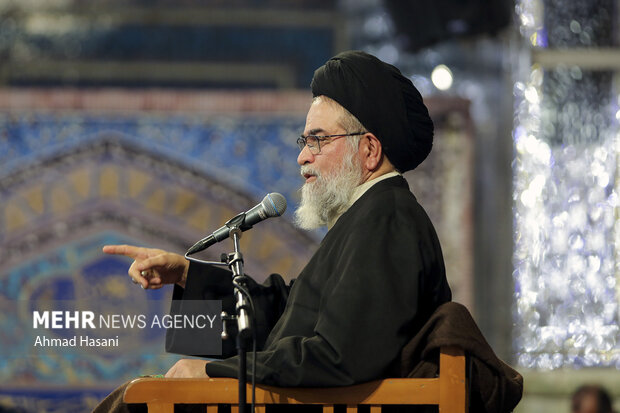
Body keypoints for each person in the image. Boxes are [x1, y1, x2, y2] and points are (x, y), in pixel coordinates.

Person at [94, 50, 451, 410]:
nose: (303, 157)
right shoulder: (368, 218)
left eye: (318, 140)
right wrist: (189, 278)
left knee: (136, 402)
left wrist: (215, 372)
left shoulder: (387, 220)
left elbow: (340, 357)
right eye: (304, 141)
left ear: (369, 149)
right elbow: (286, 315)